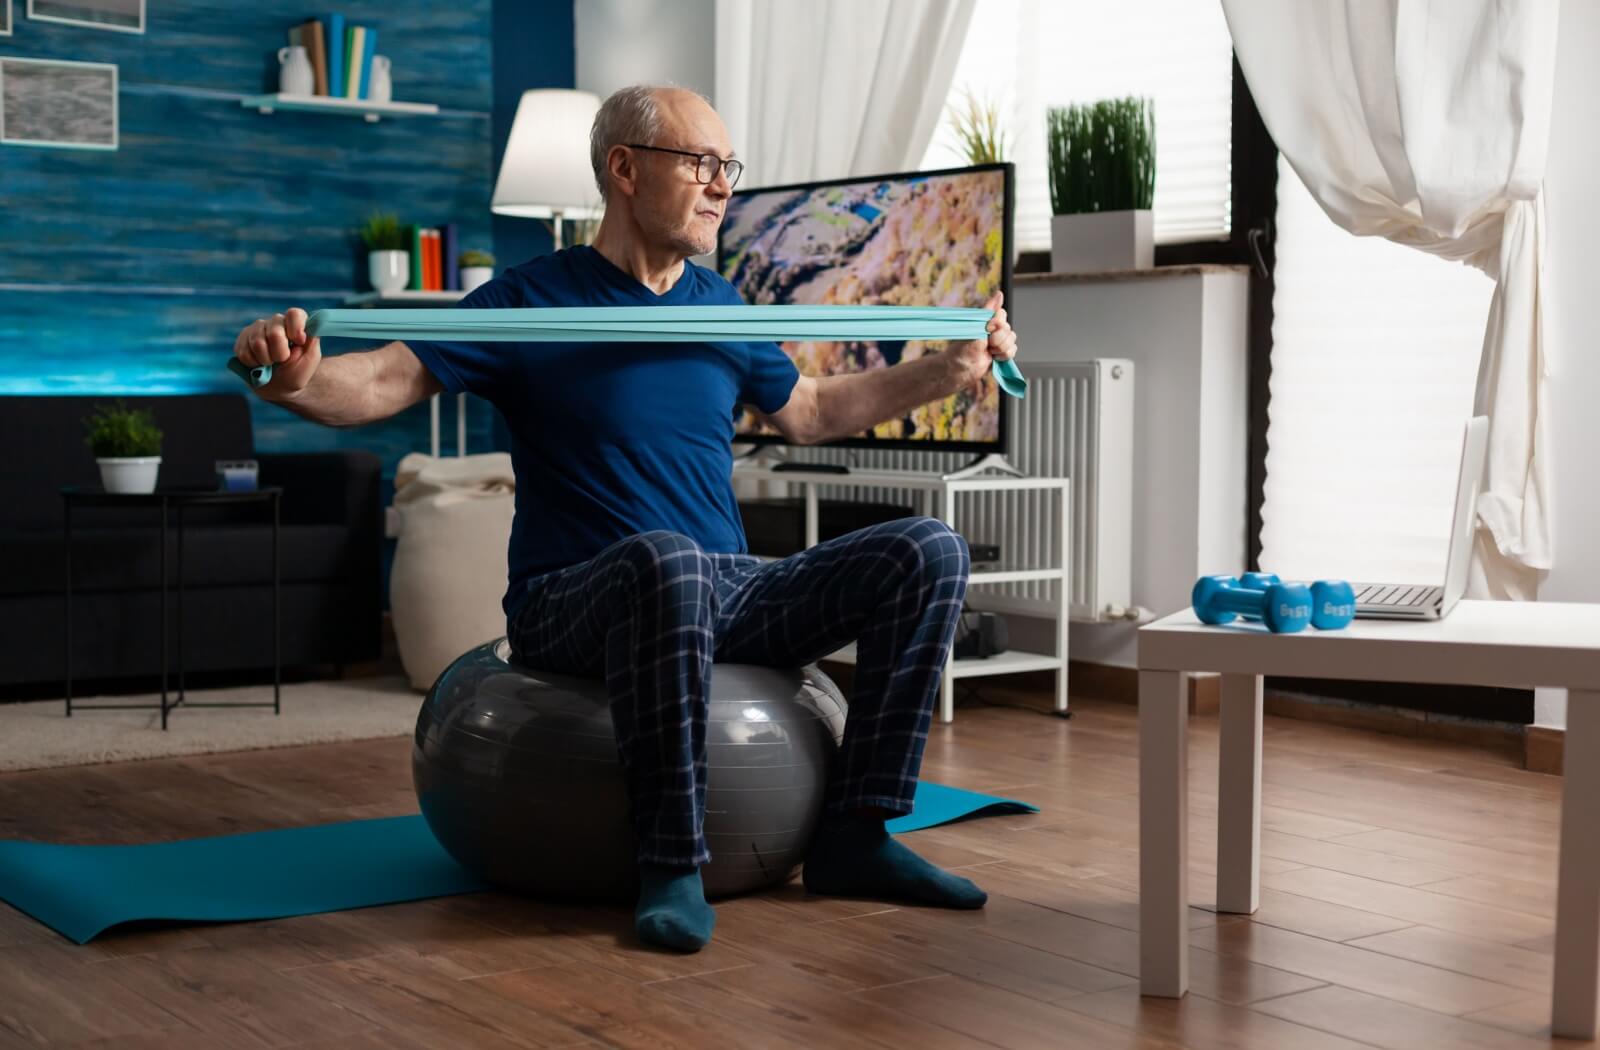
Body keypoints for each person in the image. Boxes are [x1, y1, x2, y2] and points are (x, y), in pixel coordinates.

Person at [232, 84, 1019, 953]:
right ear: (625, 169)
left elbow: (810, 410)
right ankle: (671, 863)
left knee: (928, 549)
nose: (722, 185)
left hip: (723, 587)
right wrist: (295, 379)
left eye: (730, 168)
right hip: (572, 599)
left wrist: (947, 374)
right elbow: (383, 379)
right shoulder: (531, 302)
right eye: (701, 165)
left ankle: (857, 834)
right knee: (665, 559)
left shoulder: (718, 305)